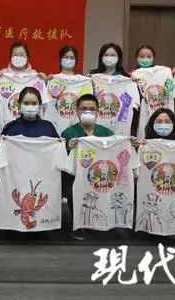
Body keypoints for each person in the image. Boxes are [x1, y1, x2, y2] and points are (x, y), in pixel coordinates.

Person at [60, 93, 114, 240]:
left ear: (98, 111)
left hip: (99, 175)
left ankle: (99, 221)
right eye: (83, 109)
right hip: (76, 177)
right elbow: (62, 159)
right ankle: (79, 225)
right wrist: (69, 147)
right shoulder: (68, 133)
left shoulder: (106, 133)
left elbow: (114, 153)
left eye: (92, 109)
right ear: (77, 111)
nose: (88, 112)